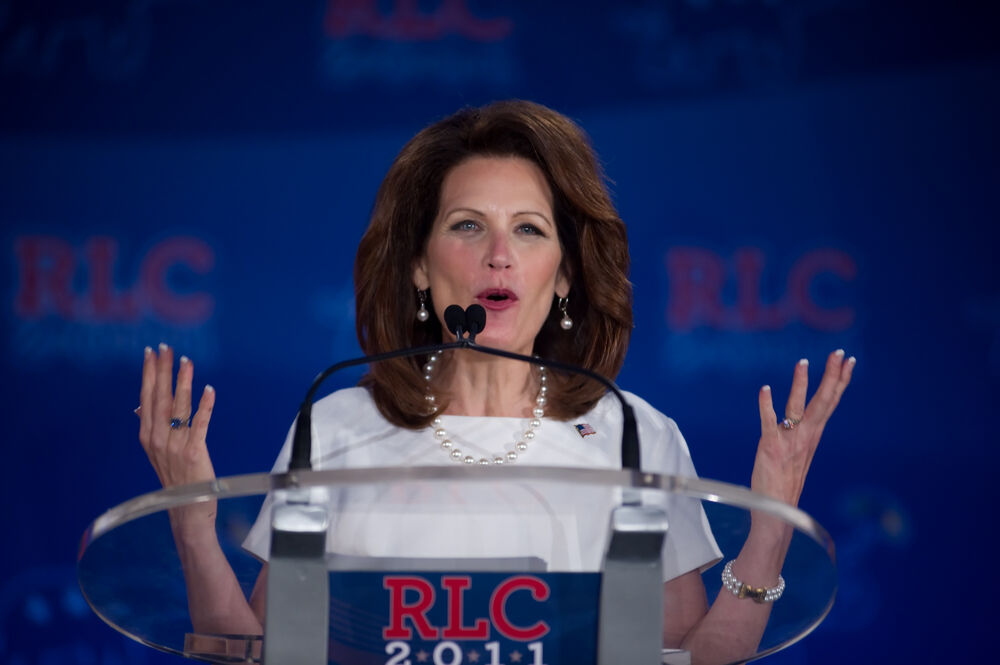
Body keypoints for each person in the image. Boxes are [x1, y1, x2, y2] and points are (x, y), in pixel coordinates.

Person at [137, 100, 855, 664]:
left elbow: (690, 660)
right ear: (420, 267)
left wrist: (768, 530)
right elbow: (266, 655)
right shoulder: (336, 430)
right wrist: (193, 525)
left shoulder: (634, 436)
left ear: (565, 276)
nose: (500, 257)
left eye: (531, 231)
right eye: (469, 226)